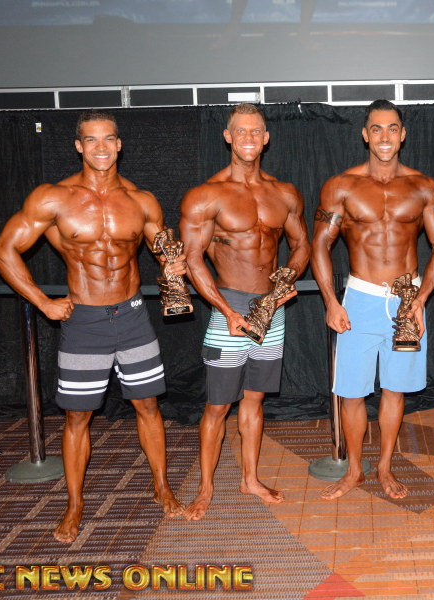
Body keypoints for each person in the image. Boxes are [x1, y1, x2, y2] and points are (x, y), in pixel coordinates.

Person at [0, 110, 184, 542]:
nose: (101, 147)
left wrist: (174, 267)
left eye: (108, 139)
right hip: (85, 321)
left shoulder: (142, 200)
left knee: (148, 406)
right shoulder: (53, 198)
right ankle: (75, 504)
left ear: (119, 144)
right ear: (79, 146)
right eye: (91, 140)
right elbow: (4, 250)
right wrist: (43, 302)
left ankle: (162, 486)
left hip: (133, 316)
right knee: (77, 417)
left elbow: (165, 253)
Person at [311, 99, 434, 500]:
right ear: (365, 134)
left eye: (392, 128)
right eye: (376, 128)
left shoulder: (424, 187)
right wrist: (331, 301)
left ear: (402, 134)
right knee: (351, 392)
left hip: (407, 300)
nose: (384, 136)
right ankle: (355, 469)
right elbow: (319, 244)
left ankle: (386, 466)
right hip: (359, 299)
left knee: (394, 389)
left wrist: (421, 298)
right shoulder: (341, 186)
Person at [179, 103, 309, 518]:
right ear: (228, 137)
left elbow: (301, 244)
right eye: (241, 131)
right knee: (218, 404)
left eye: (256, 132)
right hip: (228, 309)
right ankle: (205, 488)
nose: (249, 138)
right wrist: (224, 311)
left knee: (254, 398)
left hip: (272, 310)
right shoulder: (206, 195)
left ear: (266, 138)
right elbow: (193, 259)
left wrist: (286, 280)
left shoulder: (284, 193)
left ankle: (250, 479)